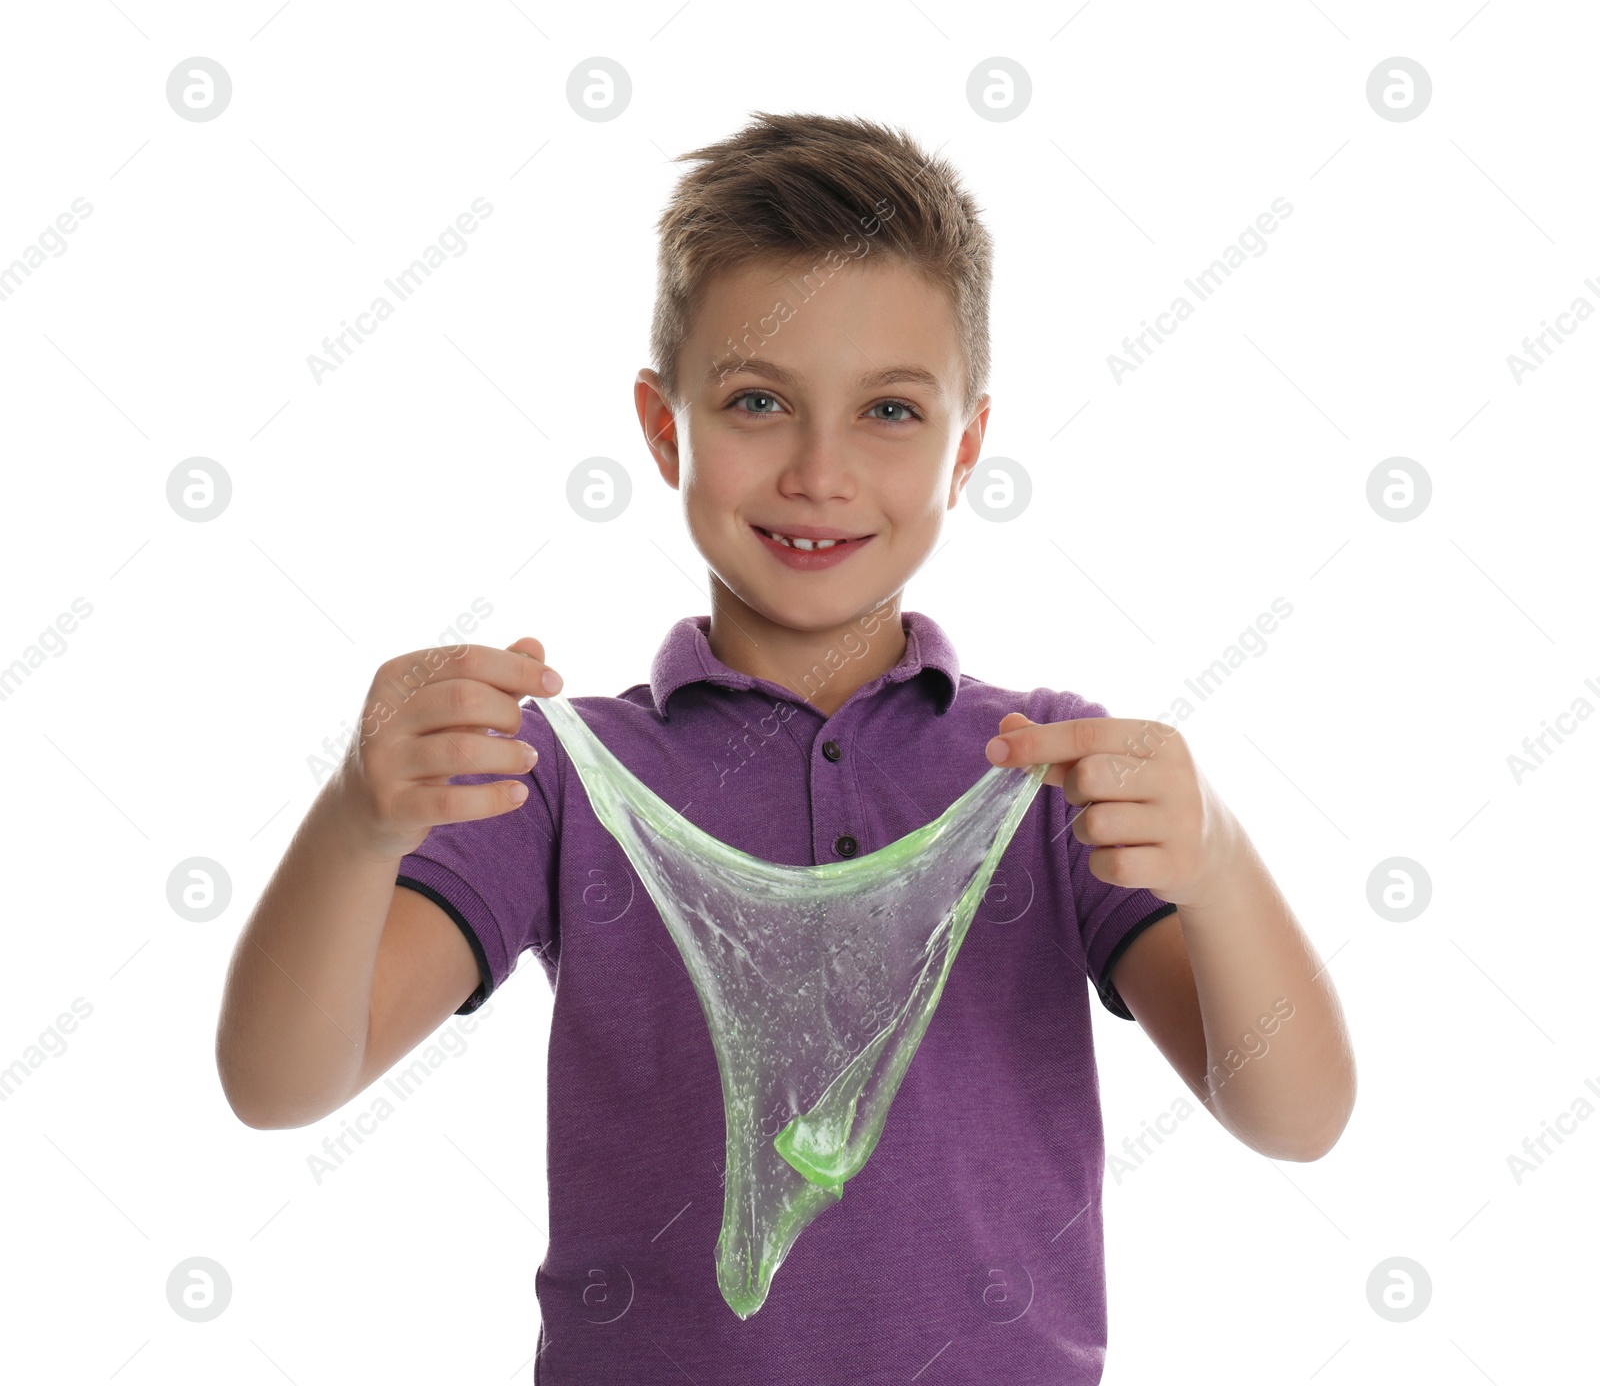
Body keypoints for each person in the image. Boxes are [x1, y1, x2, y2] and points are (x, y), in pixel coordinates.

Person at [216, 110, 1356, 1383]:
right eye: (758, 401)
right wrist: (354, 822)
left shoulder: (1042, 771)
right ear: (665, 430)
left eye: (888, 410)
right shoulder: (563, 781)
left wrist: (1221, 860)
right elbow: (279, 1082)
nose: (820, 471)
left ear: (966, 445)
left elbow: (1296, 1116)